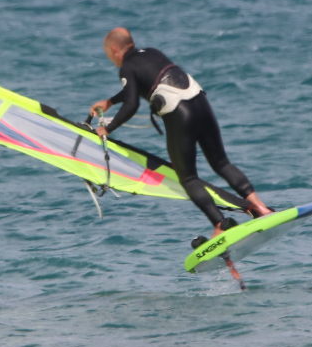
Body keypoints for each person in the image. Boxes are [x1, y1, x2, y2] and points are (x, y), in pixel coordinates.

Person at [87, 28, 274, 235]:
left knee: (188, 178)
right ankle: (261, 208)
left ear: (114, 50)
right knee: (221, 163)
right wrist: (110, 101)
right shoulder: (152, 52)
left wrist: (108, 128)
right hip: (201, 103)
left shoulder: (127, 67)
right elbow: (137, 87)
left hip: (180, 113)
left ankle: (220, 225)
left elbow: (132, 104)